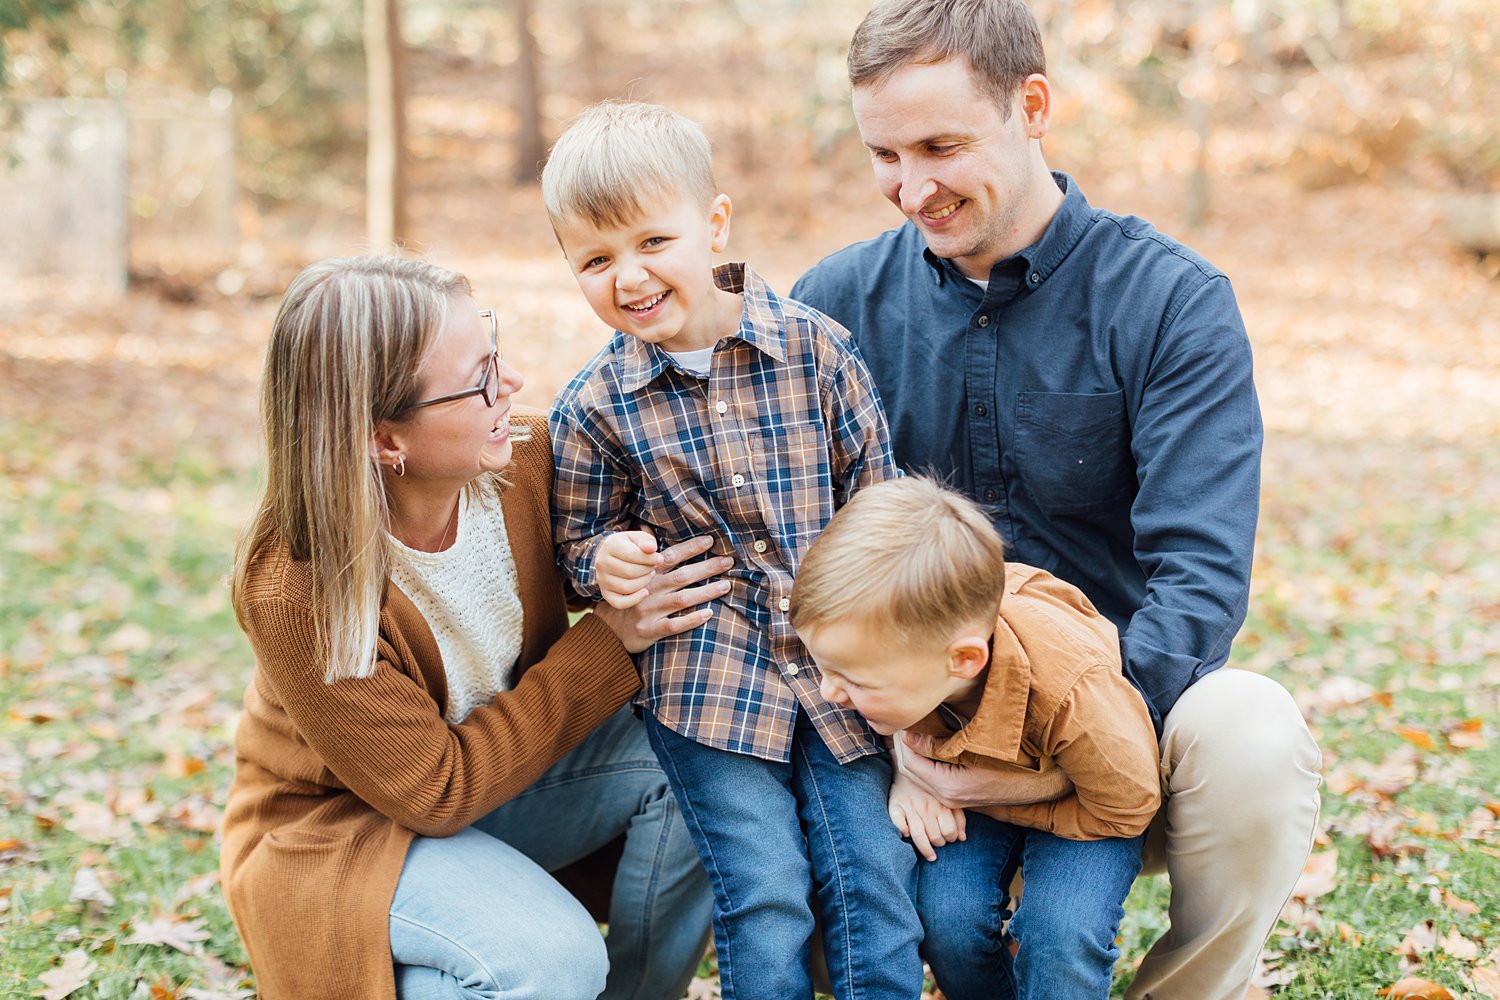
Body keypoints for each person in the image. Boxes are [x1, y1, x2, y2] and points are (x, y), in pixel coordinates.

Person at [789, 2, 1323, 997]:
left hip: (1113, 715)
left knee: (1254, 727)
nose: (913, 187)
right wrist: (908, 746)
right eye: (885, 154)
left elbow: (1198, 580)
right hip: (909, 729)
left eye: (942, 145)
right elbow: (792, 550)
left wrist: (1059, 759)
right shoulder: (834, 307)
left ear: (1033, 107)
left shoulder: (1171, 303)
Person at [220, 255, 719, 1000]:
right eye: (480, 378)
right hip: (349, 832)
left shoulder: (524, 457)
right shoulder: (298, 587)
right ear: (383, 439)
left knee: (694, 752)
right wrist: (610, 640)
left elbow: (637, 527)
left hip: (509, 783)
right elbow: (433, 792)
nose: (511, 384)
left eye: (495, 349)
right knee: (551, 959)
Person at [541, 102, 923, 1000]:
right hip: (709, 690)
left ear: (713, 225)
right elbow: (574, 547)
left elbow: (883, 509)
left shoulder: (815, 351)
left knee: (872, 881)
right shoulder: (595, 407)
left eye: (651, 241)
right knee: (764, 894)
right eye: (595, 260)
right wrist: (607, 564)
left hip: (841, 679)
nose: (628, 276)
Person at [792, 476, 1161, 998]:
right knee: (950, 920)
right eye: (824, 666)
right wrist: (908, 769)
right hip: (979, 795)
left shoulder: (1073, 692)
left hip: (1093, 807)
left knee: (1061, 930)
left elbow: (1128, 806)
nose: (830, 693)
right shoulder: (905, 653)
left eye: (855, 680)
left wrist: (1001, 801)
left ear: (963, 660)